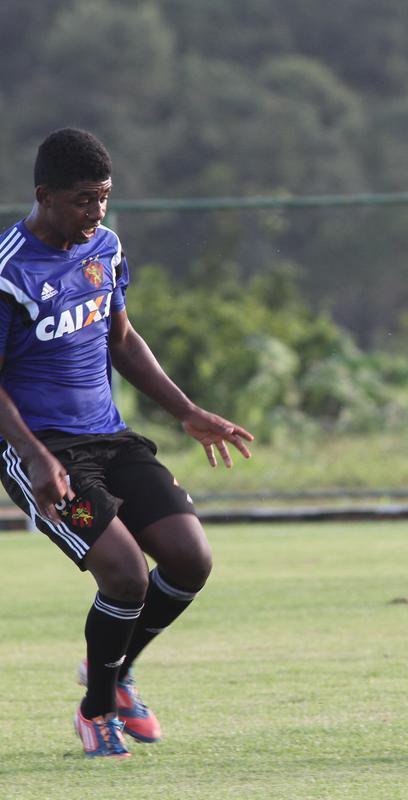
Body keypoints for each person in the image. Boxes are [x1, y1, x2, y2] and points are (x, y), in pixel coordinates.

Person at [0, 128, 253, 758]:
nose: (97, 212)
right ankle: (96, 712)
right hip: (46, 454)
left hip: (111, 439)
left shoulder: (105, 248)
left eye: (105, 197)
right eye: (85, 199)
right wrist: (36, 457)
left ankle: (111, 673)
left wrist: (188, 411)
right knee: (124, 573)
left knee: (191, 557)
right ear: (45, 196)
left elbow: (121, 339)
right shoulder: (8, 269)